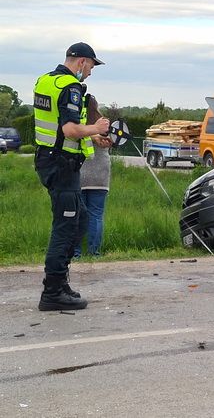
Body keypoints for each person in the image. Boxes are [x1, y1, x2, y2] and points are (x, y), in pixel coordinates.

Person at [33, 42, 109, 311]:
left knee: (82, 220)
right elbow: (68, 129)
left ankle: (60, 283)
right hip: (61, 165)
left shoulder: (45, 81)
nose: (90, 73)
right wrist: (97, 126)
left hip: (50, 160)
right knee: (66, 227)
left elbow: (55, 124)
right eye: (91, 66)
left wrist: (93, 135)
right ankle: (52, 291)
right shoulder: (71, 87)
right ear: (81, 62)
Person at [74, 93, 112, 258]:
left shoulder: (78, 123)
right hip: (101, 176)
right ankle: (94, 252)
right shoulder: (104, 124)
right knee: (96, 215)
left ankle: (76, 252)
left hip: (80, 174)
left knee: (77, 214)